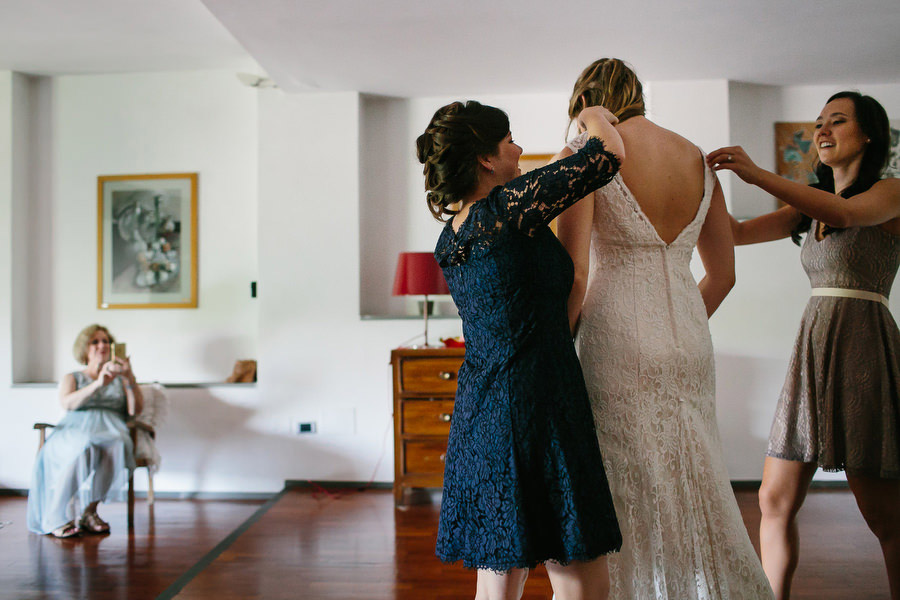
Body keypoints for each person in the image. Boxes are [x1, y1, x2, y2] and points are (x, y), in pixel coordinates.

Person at [558, 58, 773, 599]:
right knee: (693, 475)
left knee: (623, 483)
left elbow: (577, 273)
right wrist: (676, 327)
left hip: (615, 338)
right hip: (689, 338)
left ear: (586, 103)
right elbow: (722, 277)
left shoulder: (589, 157)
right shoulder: (696, 159)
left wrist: (556, 348)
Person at [418, 100, 624, 600]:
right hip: (540, 397)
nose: (518, 147)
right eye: (509, 140)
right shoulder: (510, 207)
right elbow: (608, 155)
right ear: (487, 158)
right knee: (578, 575)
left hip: (482, 405)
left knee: (498, 573)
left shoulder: (453, 236)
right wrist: (594, 114)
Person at [708, 91, 900, 600]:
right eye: (819, 122)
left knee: (885, 517)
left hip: (864, 346)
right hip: (813, 349)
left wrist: (756, 173)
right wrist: (709, 185)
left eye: (838, 121)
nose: (823, 130)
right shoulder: (807, 209)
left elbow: (843, 215)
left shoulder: (891, 192)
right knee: (773, 499)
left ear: (869, 135)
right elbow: (736, 233)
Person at [27, 324, 143, 537]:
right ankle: (54, 515)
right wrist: (98, 384)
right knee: (86, 447)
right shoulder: (73, 377)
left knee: (115, 445)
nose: (102, 345)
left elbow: (135, 410)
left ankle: (89, 512)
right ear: (85, 348)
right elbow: (67, 404)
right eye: (95, 341)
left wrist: (129, 378)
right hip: (75, 429)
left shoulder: (121, 379)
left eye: (106, 341)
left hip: (111, 428)